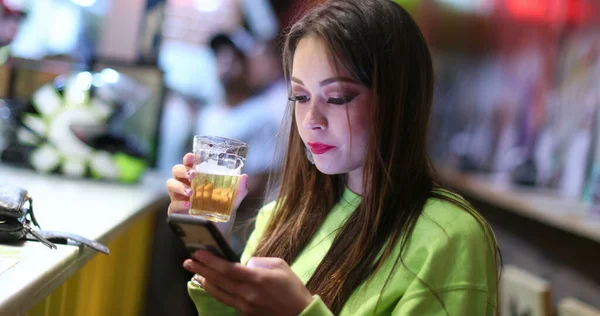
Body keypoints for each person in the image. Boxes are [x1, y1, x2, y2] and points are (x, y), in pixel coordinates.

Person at [166, 0, 500, 315]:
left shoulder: (450, 237)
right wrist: (213, 241)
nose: (311, 119)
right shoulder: (280, 216)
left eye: (337, 97)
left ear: (398, 99)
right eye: (300, 96)